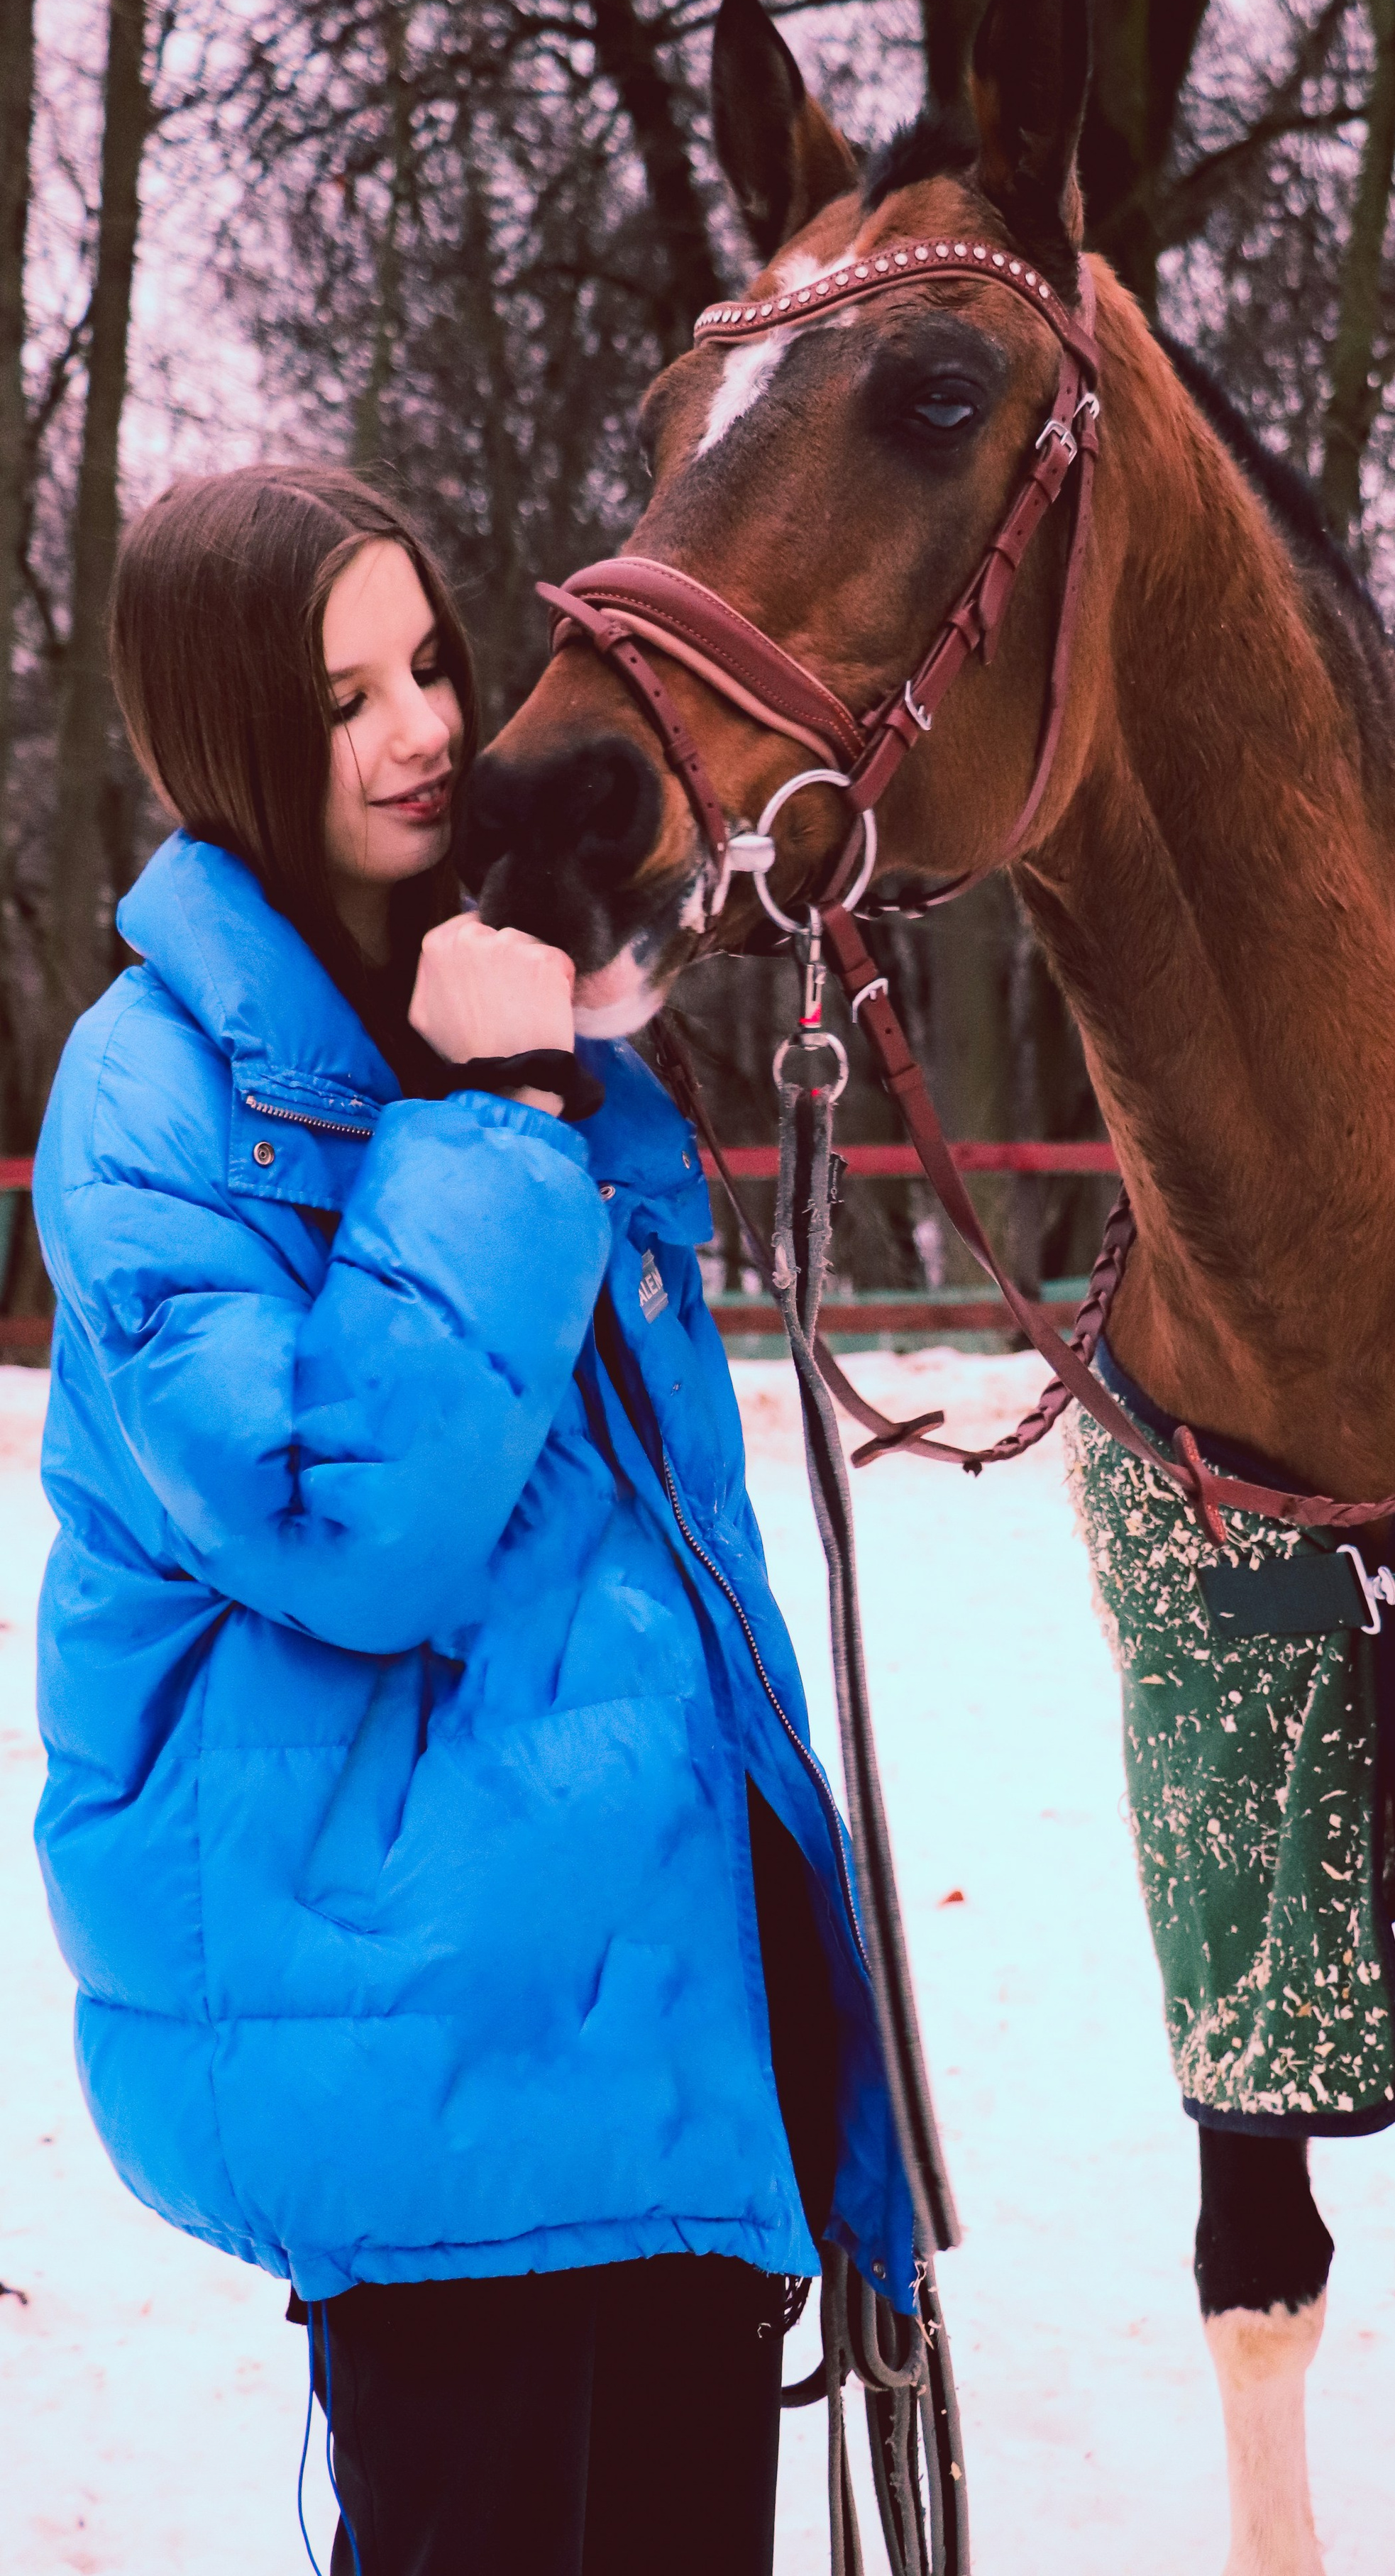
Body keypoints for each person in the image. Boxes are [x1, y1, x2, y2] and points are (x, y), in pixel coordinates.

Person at [31, 466, 912, 2576]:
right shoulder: (153, 1097)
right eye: (345, 699)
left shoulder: (465, 1016)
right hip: (440, 2068)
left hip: (655, 2043)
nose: (427, 728)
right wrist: (501, 1122)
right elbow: (349, 1527)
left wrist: (566, 1075)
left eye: (432, 660)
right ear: (234, 734)